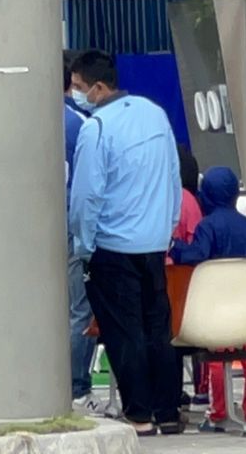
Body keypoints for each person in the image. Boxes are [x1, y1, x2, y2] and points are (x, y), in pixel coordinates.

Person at [68, 50, 184, 436]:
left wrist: (84, 245)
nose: (76, 94)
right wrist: (166, 229)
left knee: (124, 334)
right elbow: (173, 177)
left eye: (79, 87)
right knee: (157, 330)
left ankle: (139, 415)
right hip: (154, 244)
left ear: (99, 88)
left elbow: (86, 196)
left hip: (112, 247)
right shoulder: (155, 114)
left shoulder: (96, 128)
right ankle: (168, 412)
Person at [171, 167, 246, 432]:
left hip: (218, 308)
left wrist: (175, 248)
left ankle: (220, 412)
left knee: (217, 359)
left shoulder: (208, 225)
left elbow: (197, 254)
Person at [64, 51, 107, 417]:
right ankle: (78, 387)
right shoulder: (81, 123)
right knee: (80, 309)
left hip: (36, 227)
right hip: (72, 226)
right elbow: (89, 186)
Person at [170, 145, 208, 406]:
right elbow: (196, 243)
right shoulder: (187, 200)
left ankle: (169, 393)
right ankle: (200, 389)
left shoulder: (158, 194)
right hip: (183, 279)